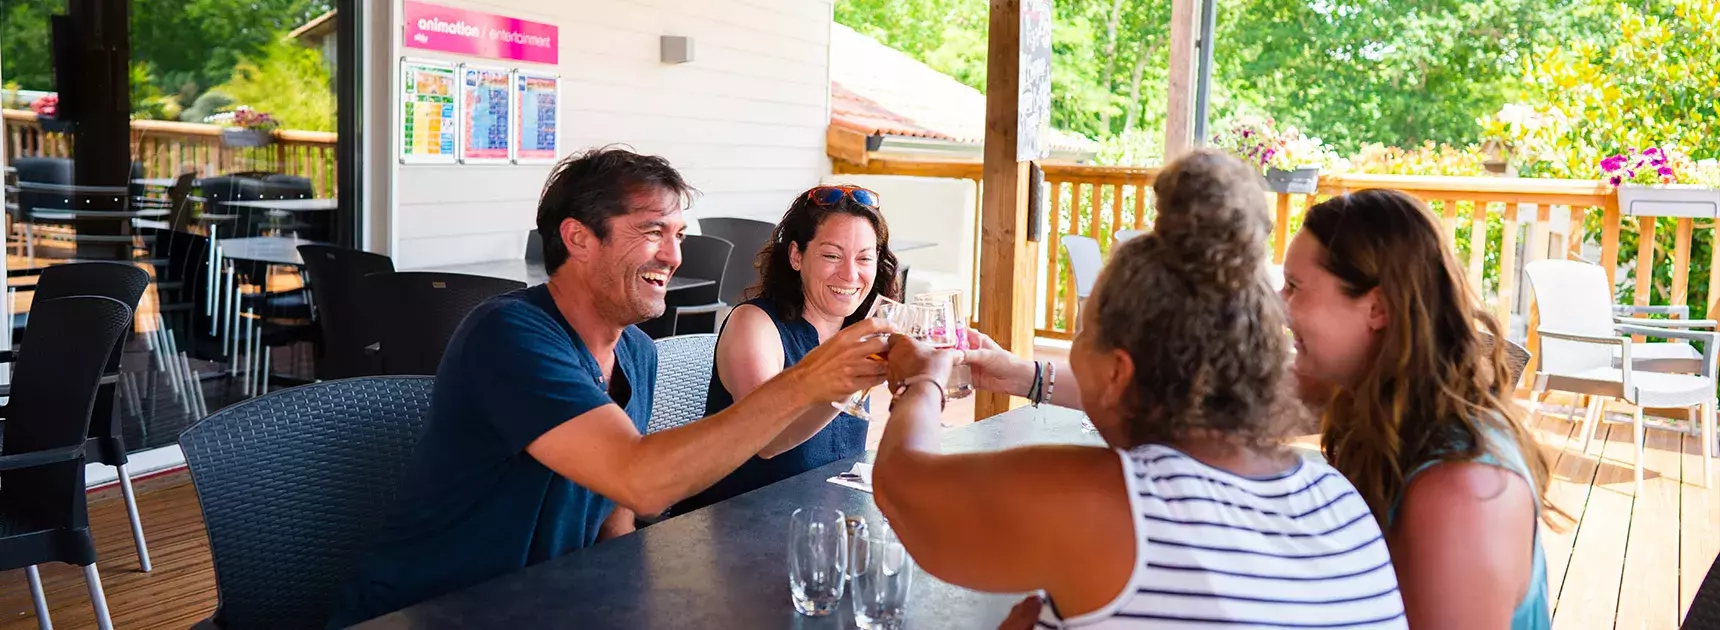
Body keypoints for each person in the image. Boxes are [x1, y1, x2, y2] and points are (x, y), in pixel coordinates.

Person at [326, 148, 889, 627]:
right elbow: (641, 480)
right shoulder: (509, 333)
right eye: (652, 232)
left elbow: (618, 520)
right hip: (433, 611)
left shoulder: (636, 353)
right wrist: (808, 381)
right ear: (578, 238)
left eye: (677, 235)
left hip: (552, 605)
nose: (673, 255)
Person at [877, 149, 1407, 629]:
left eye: (1083, 333)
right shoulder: (1340, 501)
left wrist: (924, 378)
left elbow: (904, 489)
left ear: (1118, 371)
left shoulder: (1115, 500)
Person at [1280, 189, 1555, 630]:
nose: (1280, 305)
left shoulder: (1464, 490)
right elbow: (1235, 405)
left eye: (1294, 287)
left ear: (1378, 308)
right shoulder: (1374, 390)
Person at [672, 185, 900, 514]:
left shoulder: (858, 331)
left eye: (864, 258)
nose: (850, 274)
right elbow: (767, 441)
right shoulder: (754, 324)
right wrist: (851, 380)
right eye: (832, 255)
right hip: (735, 528)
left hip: (822, 521)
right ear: (796, 256)